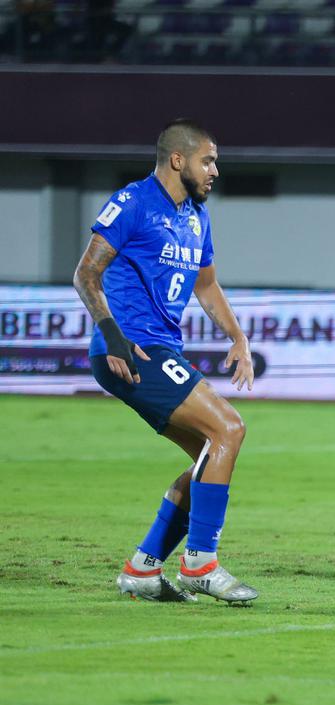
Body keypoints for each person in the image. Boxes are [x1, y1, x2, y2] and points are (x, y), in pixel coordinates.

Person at [73, 119, 258, 603]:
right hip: (131, 350)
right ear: (178, 160)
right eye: (208, 161)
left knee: (209, 460)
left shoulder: (196, 216)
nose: (215, 170)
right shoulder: (134, 202)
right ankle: (200, 562)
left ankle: (143, 569)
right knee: (229, 429)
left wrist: (238, 337)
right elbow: (86, 274)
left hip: (161, 350)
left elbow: (206, 285)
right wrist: (111, 334)